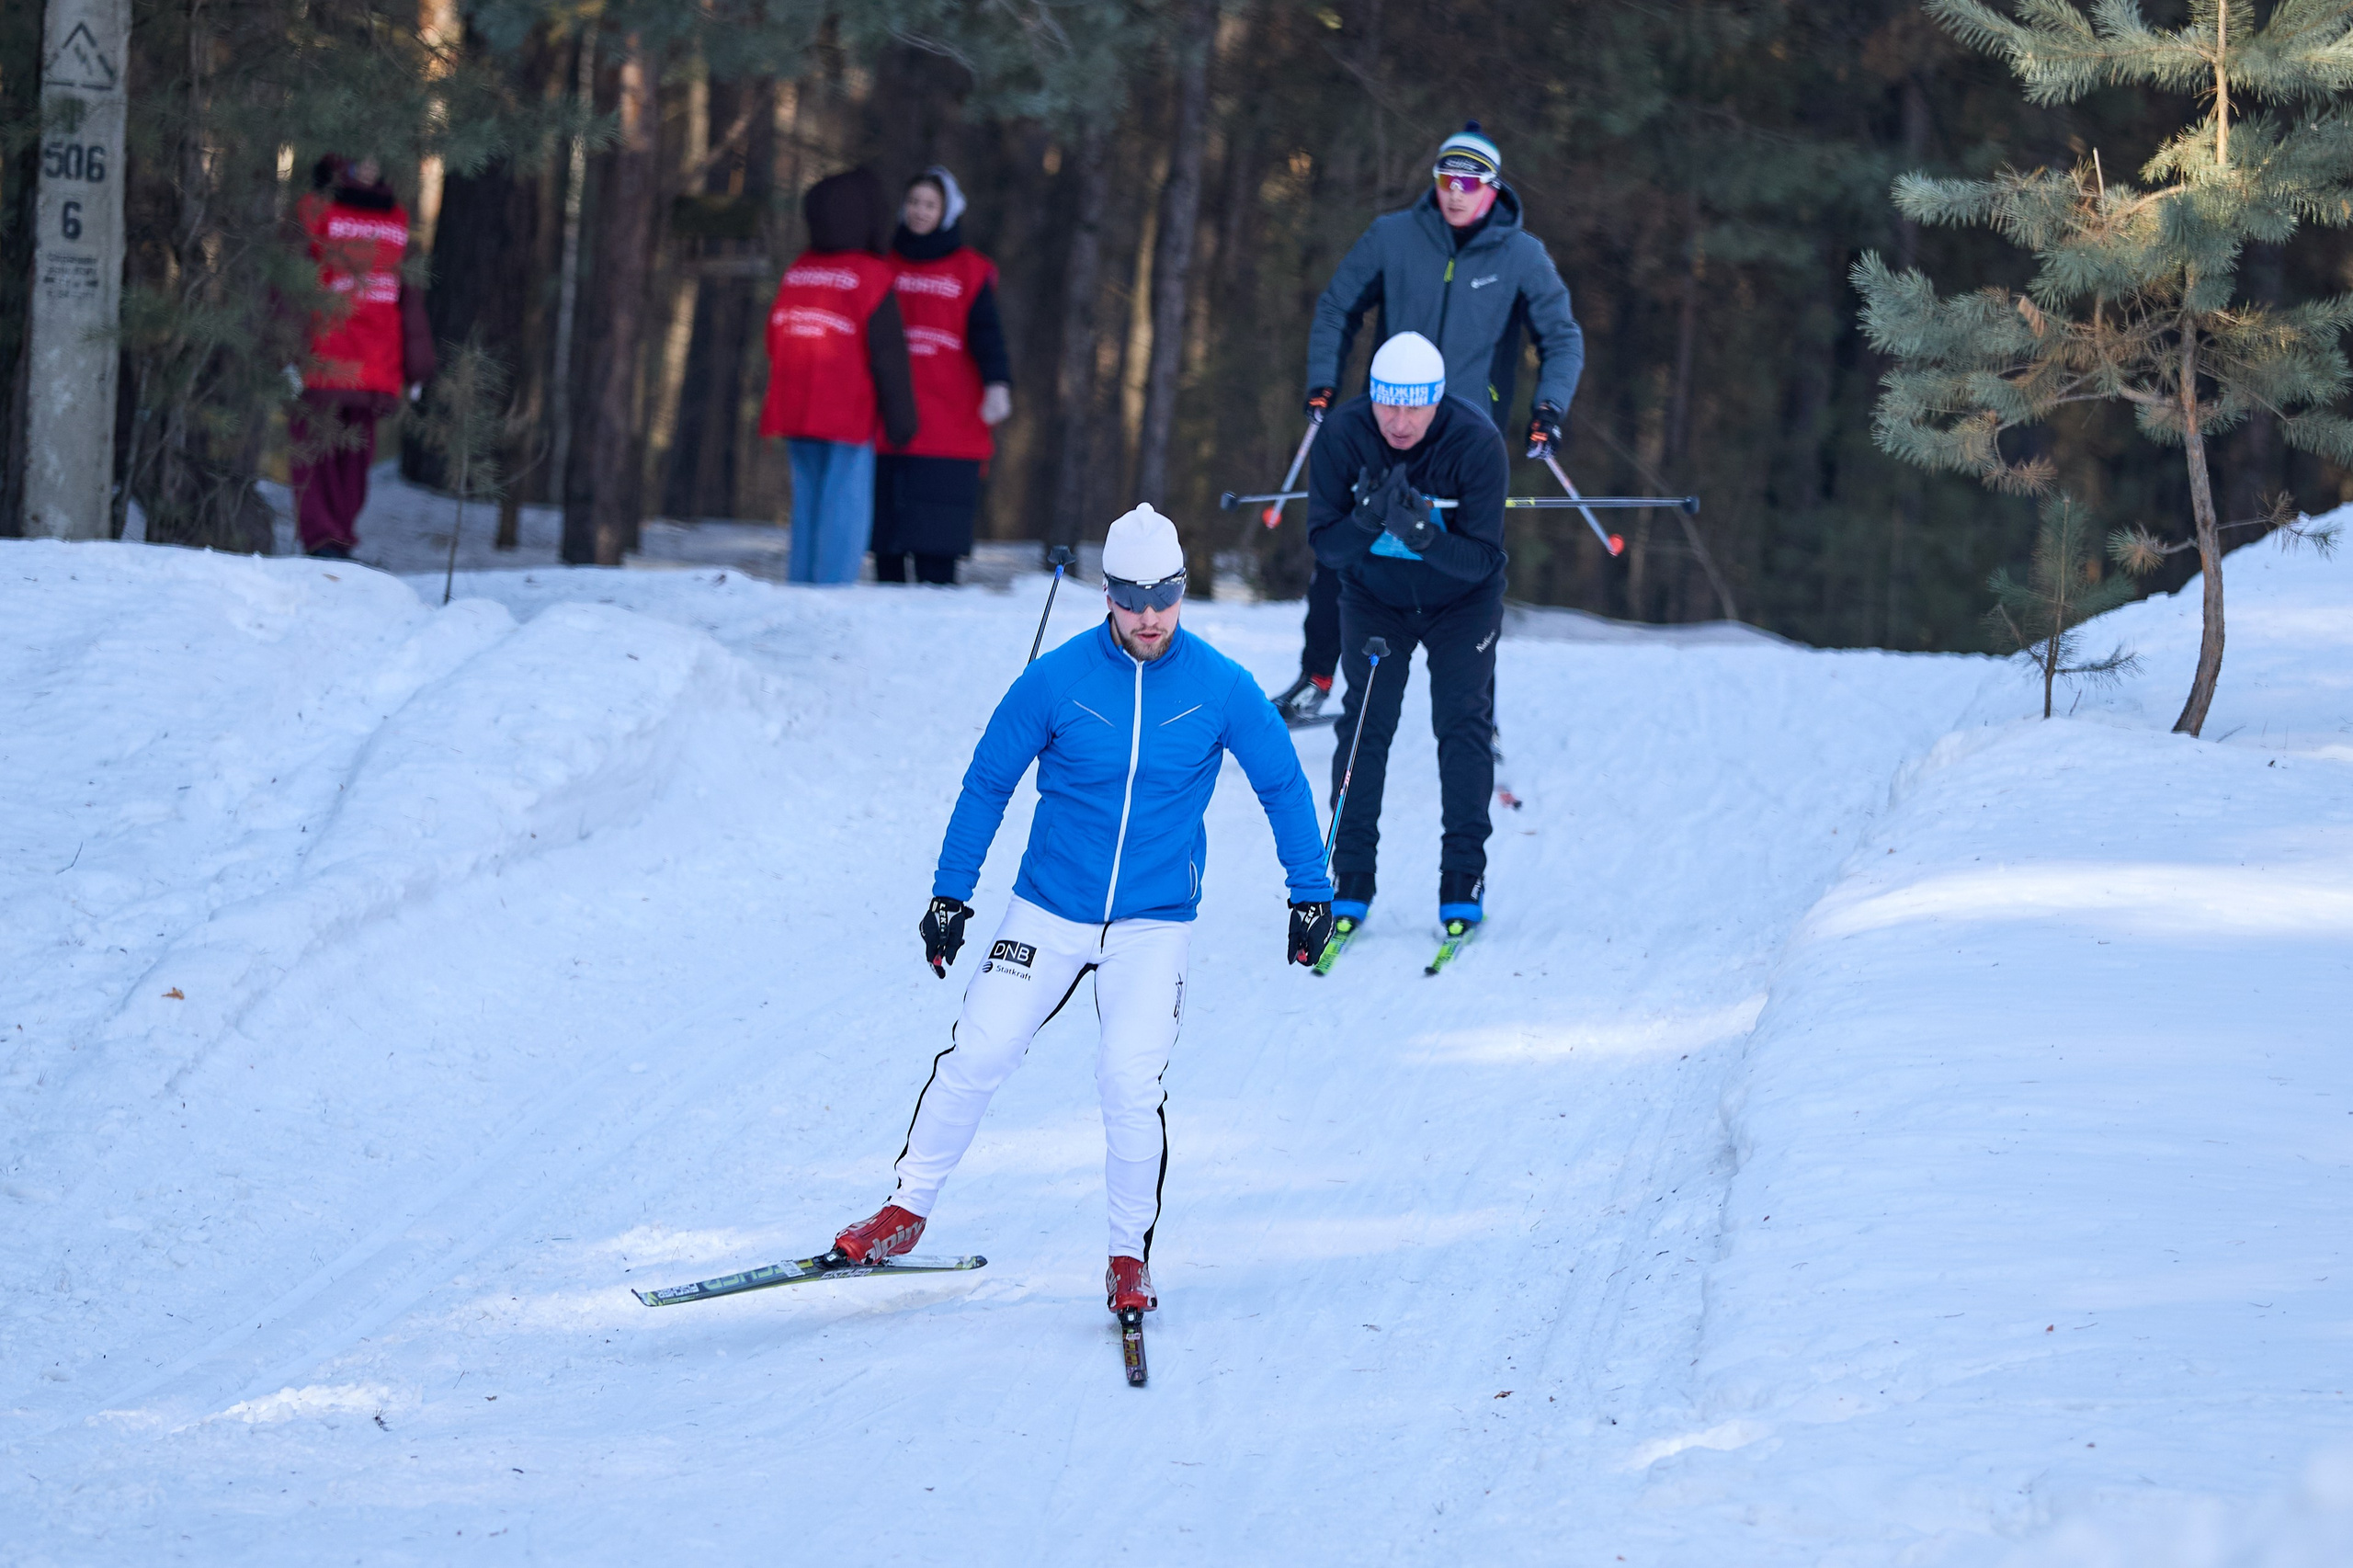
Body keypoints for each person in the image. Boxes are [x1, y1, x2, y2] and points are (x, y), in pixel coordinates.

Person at [831, 504, 1336, 1320]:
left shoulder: (1221, 686)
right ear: (1106, 594)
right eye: (1132, 596)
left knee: (1127, 1082)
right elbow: (986, 783)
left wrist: (1310, 894)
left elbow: (1281, 784)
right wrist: (950, 894)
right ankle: (905, 1210)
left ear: (1182, 590)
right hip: (1049, 907)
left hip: (1154, 921)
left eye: (1164, 595)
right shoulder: (1057, 680)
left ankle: (1127, 1257)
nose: (1148, 615)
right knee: (981, 1052)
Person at [1272, 121, 1582, 724]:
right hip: (1385, 423)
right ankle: (1316, 678)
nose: (1456, 191)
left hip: (1466, 439)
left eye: (1470, 181)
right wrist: (1323, 383)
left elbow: (1561, 336)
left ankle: (1476, 710)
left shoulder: (1522, 257)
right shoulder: (1394, 237)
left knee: (1471, 564)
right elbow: (1338, 304)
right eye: (1446, 177)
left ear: (1494, 188)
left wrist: (1550, 410)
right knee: (1347, 548)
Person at [1306, 331, 1507, 938]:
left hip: (1461, 606)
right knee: (1365, 725)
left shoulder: (1476, 443)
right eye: (1385, 404)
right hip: (1376, 601)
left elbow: (1484, 562)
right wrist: (1367, 518)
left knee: (1461, 723)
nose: (1397, 421)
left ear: (1437, 400)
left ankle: (1462, 877)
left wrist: (1425, 536)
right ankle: (1350, 876)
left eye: (1412, 407)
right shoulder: (1343, 436)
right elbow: (1324, 545)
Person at [760, 167, 918, 584]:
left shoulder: (798, 270)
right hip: (846, 410)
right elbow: (888, 354)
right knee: (844, 503)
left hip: (794, 406)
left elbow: (773, 337)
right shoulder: (870, 275)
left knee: (807, 500)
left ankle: (802, 580)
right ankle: (832, 587)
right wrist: (902, 421)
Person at [288, 155, 435, 560]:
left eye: (375, 158)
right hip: (320, 359)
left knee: (352, 458)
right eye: (359, 159)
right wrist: (285, 351)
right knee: (320, 451)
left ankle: (337, 538)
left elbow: (409, 302)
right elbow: (291, 286)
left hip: (373, 360)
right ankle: (322, 538)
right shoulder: (314, 211)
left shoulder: (397, 219)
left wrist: (417, 365)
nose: (369, 167)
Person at [872, 167, 1013, 586]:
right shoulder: (881, 262)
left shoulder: (970, 271)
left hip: (949, 420)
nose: (919, 211)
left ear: (946, 211)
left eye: (929, 204)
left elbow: (988, 334)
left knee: (936, 532)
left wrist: (997, 383)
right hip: (889, 416)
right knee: (888, 533)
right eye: (913, 202)